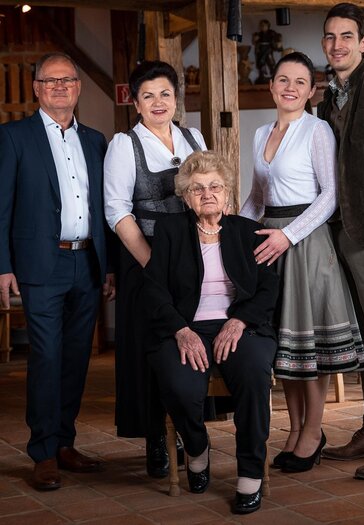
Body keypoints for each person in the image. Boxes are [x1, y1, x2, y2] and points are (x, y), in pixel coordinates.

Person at [240, 52, 364, 474]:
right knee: (285, 350)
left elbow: (330, 196)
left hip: (307, 245)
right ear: (272, 85)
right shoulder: (261, 134)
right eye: (283, 79)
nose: (290, 87)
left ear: (311, 91)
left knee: (308, 350)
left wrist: (287, 235)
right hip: (271, 244)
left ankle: (313, 432)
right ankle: (294, 431)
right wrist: (229, 235)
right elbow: (258, 199)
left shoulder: (318, 131)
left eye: (300, 81)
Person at [0, 52, 115, 491]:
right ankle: (44, 452)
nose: (60, 87)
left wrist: (109, 268)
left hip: (87, 262)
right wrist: (2, 266)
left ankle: (66, 443)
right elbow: (1, 206)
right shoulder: (13, 137)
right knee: (46, 358)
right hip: (39, 265)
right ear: (36, 88)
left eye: (67, 80)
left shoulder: (96, 140)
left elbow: (106, 209)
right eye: (50, 81)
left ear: (78, 87)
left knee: (74, 359)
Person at [143, 150, 279, 514]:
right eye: (198, 188)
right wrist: (180, 330)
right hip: (186, 327)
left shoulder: (247, 232)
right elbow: (153, 289)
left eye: (215, 186)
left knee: (252, 376)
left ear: (227, 193)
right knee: (178, 383)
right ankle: (198, 448)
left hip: (240, 326)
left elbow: (268, 287)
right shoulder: (171, 232)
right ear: (186, 197)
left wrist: (240, 321)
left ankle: (249, 473)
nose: (207, 194)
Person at [104, 60, 206, 478]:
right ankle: (153, 439)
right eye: (148, 95)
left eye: (165, 93)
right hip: (144, 262)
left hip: (191, 259)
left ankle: (188, 431)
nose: (158, 102)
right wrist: (152, 264)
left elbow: (209, 190)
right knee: (150, 351)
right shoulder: (124, 144)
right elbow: (116, 209)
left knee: (187, 346)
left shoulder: (192, 136)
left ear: (176, 97)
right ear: (135, 101)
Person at [318, 3, 364, 480]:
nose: (338, 44)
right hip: (340, 235)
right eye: (330, 37)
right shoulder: (328, 99)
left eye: (347, 36)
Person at [253, 19, 283, 84]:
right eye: (261, 26)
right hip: (261, 50)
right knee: (261, 63)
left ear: (268, 26)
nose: (263, 27)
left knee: (271, 62)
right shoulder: (259, 34)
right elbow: (254, 42)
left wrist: (278, 42)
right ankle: (262, 76)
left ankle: (274, 76)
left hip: (268, 49)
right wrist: (255, 39)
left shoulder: (271, 33)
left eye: (264, 25)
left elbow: (278, 37)